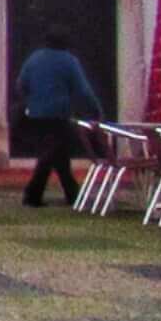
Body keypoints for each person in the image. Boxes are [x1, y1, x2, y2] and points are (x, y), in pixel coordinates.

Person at [11, 30, 102, 208]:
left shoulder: (34, 58)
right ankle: (33, 194)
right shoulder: (68, 61)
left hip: (36, 114)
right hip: (59, 114)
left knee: (59, 154)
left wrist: (32, 100)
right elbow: (83, 90)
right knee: (51, 153)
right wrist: (95, 110)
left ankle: (72, 194)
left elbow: (20, 84)